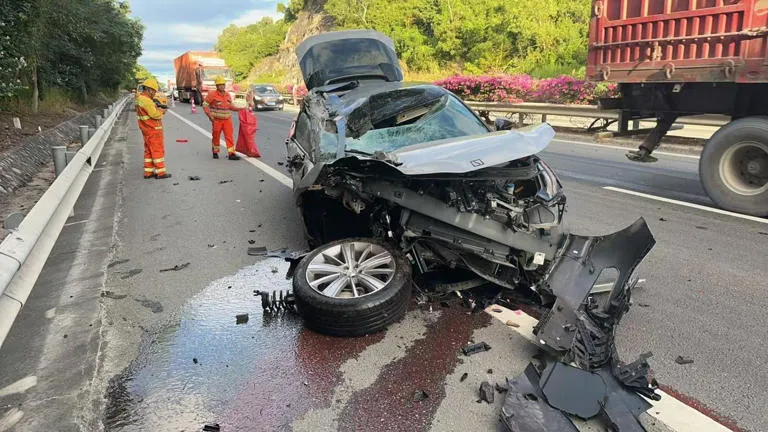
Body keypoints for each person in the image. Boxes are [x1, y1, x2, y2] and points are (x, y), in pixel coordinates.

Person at [135, 78, 171, 179]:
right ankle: (161, 172)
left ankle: (148, 172)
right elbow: (154, 114)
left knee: (148, 150)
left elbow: (149, 111)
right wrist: (162, 112)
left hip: (146, 129)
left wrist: (156, 108)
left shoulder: (140, 99)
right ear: (149, 89)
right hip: (153, 129)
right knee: (157, 150)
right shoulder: (146, 101)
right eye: (154, 91)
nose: (155, 93)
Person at [203, 75, 242, 160]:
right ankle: (215, 152)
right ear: (217, 86)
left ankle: (231, 153)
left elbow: (230, 106)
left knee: (229, 136)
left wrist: (239, 109)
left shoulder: (227, 94)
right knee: (216, 136)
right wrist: (210, 116)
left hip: (227, 120)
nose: (222, 86)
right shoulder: (212, 94)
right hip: (217, 120)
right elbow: (205, 105)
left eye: (223, 84)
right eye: (220, 84)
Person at [236, 90, 261, 158]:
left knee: (248, 139)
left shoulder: (250, 104)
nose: (247, 96)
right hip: (248, 124)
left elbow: (249, 113)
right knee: (248, 138)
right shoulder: (249, 103)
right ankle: (250, 151)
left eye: (248, 95)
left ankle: (250, 151)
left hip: (249, 124)